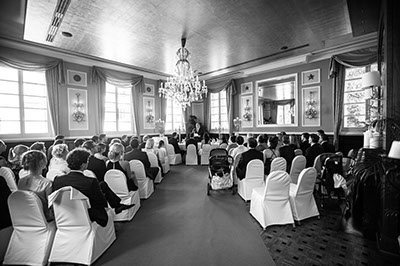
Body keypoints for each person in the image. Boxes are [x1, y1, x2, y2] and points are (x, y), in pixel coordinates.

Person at [52, 148, 134, 227]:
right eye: (87, 161)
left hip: (65, 213)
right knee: (101, 189)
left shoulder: (57, 180)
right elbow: (102, 202)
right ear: (83, 165)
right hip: (87, 213)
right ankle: (117, 205)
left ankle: (118, 205)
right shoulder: (90, 181)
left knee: (102, 185)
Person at [17, 150, 53, 221]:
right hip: (44, 219)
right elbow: (50, 206)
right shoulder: (47, 183)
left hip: (26, 217)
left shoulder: (21, 181)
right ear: (42, 163)